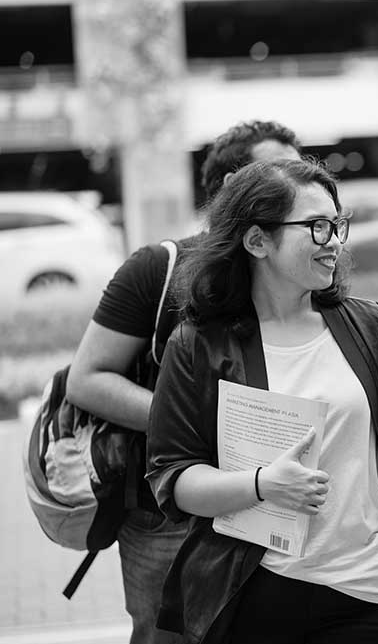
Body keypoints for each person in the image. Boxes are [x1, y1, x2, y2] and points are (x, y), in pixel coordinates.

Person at [145, 157, 378, 644]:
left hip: (373, 581)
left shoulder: (372, 326)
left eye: (338, 225)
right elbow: (174, 477)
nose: (336, 242)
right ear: (257, 240)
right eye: (318, 227)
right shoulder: (198, 344)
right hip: (257, 586)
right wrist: (262, 485)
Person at [66, 119, 301, 644]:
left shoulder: (299, 272)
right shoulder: (159, 268)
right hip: (164, 511)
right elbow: (88, 378)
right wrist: (194, 427)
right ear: (227, 188)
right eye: (277, 172)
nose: (294, 185)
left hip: (274, 499)